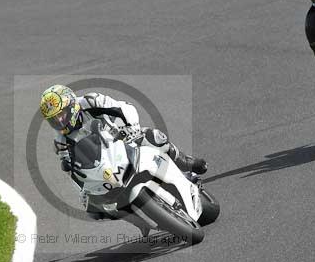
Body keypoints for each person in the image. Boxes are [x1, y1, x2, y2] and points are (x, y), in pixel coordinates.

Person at [39, 84, 206, 219]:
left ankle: (185, 162)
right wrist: (82, 192)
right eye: (53, 119)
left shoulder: (91, 101)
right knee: (96, 209)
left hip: (122, 137)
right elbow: (72, 172)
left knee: (153, 137)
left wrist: (131, 128)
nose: (59, 121)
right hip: (105, 166)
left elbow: (124, 108)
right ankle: (143, 220)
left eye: (61, 115)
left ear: (71, 105)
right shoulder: (60, 141)